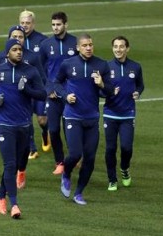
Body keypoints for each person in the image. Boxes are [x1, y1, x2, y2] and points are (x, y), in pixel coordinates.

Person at [0, 39, 47, 219]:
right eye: (14, 49)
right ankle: (14, 204)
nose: (19, 52)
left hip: (24, 125)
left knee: (16, 164)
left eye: (20, 49)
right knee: (9, 164)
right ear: (7, 53)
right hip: (4, 124)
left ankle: (0, 195)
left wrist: (27, 90)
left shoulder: (31, 71)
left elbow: (42, 94)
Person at [55, 34, 112, 205]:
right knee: (74, 154)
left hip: (92, 118)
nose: (88, 48)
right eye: (85, 45)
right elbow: (55, 83)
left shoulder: (101, 65)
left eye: (91, 45)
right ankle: (66, 174)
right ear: (78, 47)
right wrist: (66, 96)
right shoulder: (68, 64)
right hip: (72, 116)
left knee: (90, 158)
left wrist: (102, 84)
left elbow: (109, 91)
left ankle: (79, 193)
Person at [0, 25, 46, 190]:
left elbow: (42, 82)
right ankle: (10, 187)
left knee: (25, 140)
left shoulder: (33, 58)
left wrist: (30, 91)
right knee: (13, 152)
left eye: (20, 37)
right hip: (6, 109)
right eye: (13, 36)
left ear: (25, 39)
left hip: (26, 104)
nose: (17, 39)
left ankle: (21, 169)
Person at [103, 36, 144, 191]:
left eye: (121, 46)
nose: (118, 49)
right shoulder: (106, 67)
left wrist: (137, 93)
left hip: (128, 114)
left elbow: (140, 85)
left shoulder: (136, 67)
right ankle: (112, 179)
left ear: (127, 48)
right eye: (115, 46)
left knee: (126, 148)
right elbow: (100, 88)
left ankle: (125, 169)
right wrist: (109, 92)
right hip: (110, 113)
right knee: (110, 148)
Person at [39, 11, 78, 175]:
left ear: (66, 25)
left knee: (70, 128)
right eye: (53, 25)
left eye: (58, 24)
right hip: (53, 94)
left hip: (71, 93)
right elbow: (40, 71)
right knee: (53, 130)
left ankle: (74, 157)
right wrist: (48, 89)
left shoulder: (75, 43)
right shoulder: (46, 45)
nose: (55, 27)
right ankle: (60, 162)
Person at [19, 10, 49, 156]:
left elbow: (48, 64)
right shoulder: (16, 40)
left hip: (39, 86)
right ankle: (32, 148)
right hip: (23, 87)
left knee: (42, 120)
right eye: (22, 23)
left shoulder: (43, 41)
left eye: (28, 23)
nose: (25, 26)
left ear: (33, 23)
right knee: (26, 118)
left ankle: (45, 132)